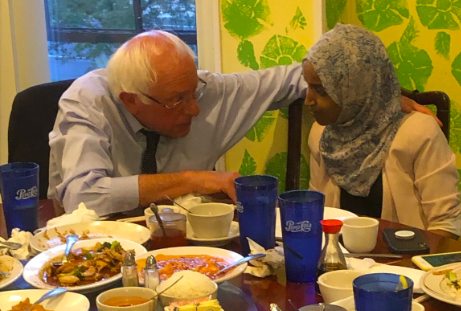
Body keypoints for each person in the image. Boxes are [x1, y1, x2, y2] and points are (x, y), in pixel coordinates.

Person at [48, 29, 435, 217]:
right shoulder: (88, 102)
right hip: (95, 254)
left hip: (186, 251)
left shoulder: (208, 92)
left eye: (193, 90)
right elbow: (82, 196)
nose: (195, 109)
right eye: (178, 100)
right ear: (132, 100)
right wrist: (193, 179)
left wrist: (375, 97)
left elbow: (297, 77)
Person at [305, 24, 461, 239]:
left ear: (356, 90)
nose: (308, 100)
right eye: (309, 86)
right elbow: (318, 214)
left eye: (321, 90)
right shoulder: (322, 134)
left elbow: (447, 225)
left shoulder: (418, 133)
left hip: (408, 265)